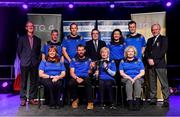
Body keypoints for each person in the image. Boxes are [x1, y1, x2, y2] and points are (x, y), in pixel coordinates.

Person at [145, 24, 169, 107]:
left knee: (164, 83)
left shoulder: (164, 39)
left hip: (160, 65)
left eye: (156, 29)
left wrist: (154, 61)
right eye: (153, 29)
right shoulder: (149, 40)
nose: (154, 31)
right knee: (152, 83)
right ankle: (153, 99)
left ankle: (166, 100)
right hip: (150, 65)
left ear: (159, 30)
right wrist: (148, 59)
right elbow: (146, 52)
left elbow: (163, 51)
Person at [17, 21, 41, 106]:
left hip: (34, 63)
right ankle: (23, 99)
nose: (31, 27)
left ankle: (31, 98)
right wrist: (23, 59)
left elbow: (38, 53)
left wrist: (37, 61)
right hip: (24, 63)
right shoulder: (21, 38)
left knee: (34, 82)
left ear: (33, 28)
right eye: (29, 26)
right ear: (26, 28)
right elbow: (19, 51)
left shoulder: (38, 40)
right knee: (23, 81)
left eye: (32, 26)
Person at [69, 44, 94, 110]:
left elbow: (90, 72)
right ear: (77, 51)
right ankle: (75, 100)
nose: (81, 51)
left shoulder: (89, 60)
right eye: (79, 50)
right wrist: (77, 78)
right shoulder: (73, 60)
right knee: (71, 82)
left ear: (84, 50)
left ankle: (90, 102)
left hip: (85, 77)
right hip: (76, 76)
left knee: (88, 82)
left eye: (82, 50)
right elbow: (71, 72)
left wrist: (91, 68)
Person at [119, 46, 145, 111]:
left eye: (132, 51)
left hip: (138, 77)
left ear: (134, 53)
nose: (130, 53)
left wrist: (135, 78)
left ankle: (137, 103)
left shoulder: (139, 60)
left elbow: (142, 72)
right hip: (126, 78)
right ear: (126, 53)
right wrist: (130, 78)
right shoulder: (122, 61)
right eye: (129, 51)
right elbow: (121, 73)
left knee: (137, 81)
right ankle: (130, 104)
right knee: (129, 82)